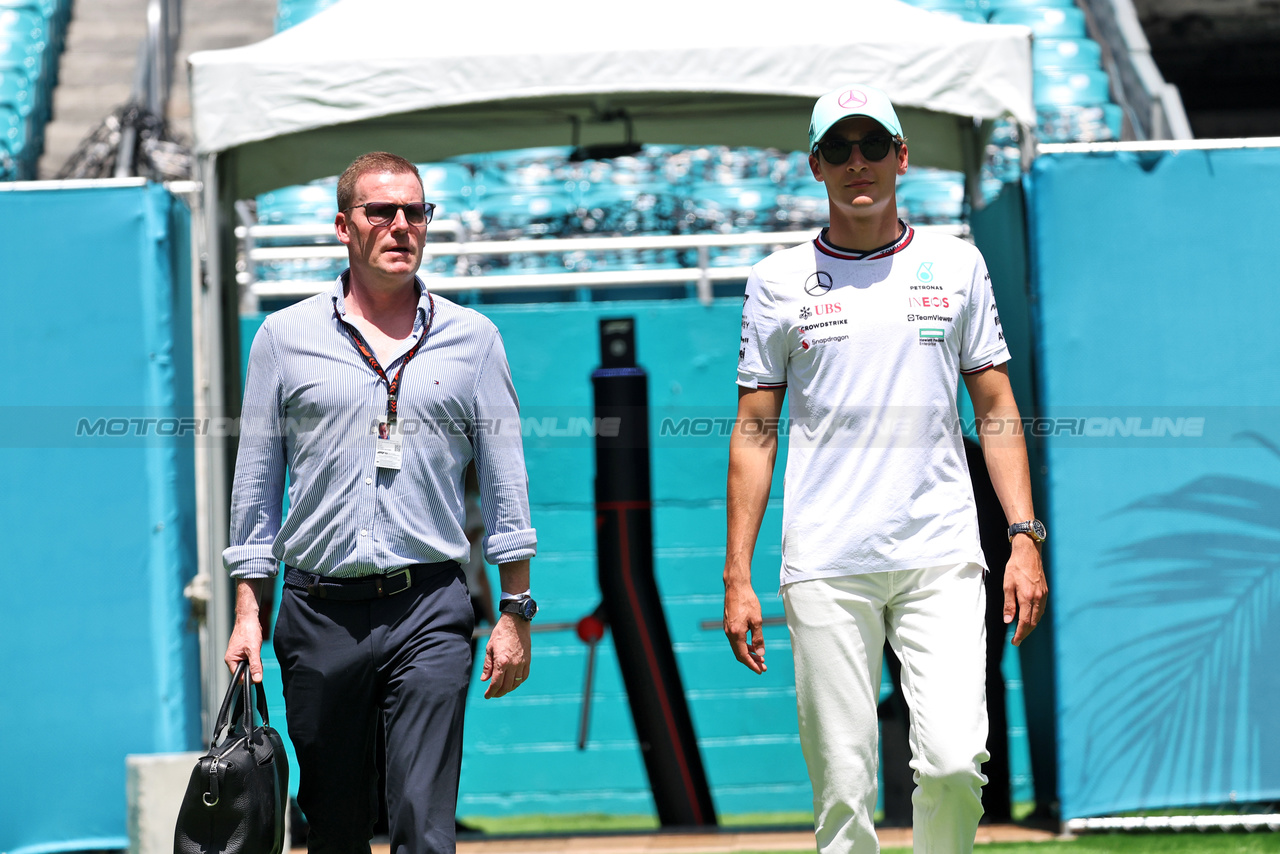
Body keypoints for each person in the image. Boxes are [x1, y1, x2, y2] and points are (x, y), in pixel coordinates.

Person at [722, 86, 1047, 854]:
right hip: (827, 561)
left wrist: (1024, 537)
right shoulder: (777, 280)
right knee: (843, 790)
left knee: (953, 763)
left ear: (903, 157)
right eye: (839, 148)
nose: (857, 162)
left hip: (942, 553)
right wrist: (737, 574)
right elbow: (754, 431)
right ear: (815, 166)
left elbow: (996, 408)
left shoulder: (957, 265)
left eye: (873, 145)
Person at [222, 151, 539, 854]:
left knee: (424, 826)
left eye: (416, 212)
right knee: (334, 827)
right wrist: (249, 611)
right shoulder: (283, 338)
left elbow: (506, 483)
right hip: (316, 611)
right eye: (381, 212)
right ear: (344, 225)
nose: (401, 225)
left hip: (428, 605)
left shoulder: (474, 340)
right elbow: (256, 484)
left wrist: (515, 611)